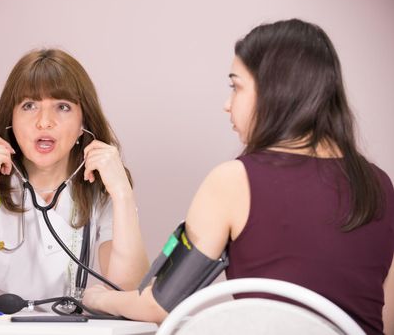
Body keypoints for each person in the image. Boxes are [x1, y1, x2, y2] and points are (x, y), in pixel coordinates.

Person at [82, 19, 394, 334]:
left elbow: (160, 306)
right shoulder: (380, 185)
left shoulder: (234, 181)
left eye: (236, 86)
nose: (227, 104)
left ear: (277, 90)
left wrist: (100, 298)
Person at [0, 48, 149, 312]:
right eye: (29, 105)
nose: (44, 122)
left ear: (84, 122)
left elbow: (128, 290)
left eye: (63, 107)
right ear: (10, 117)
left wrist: (123, 195)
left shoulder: (100, 182)